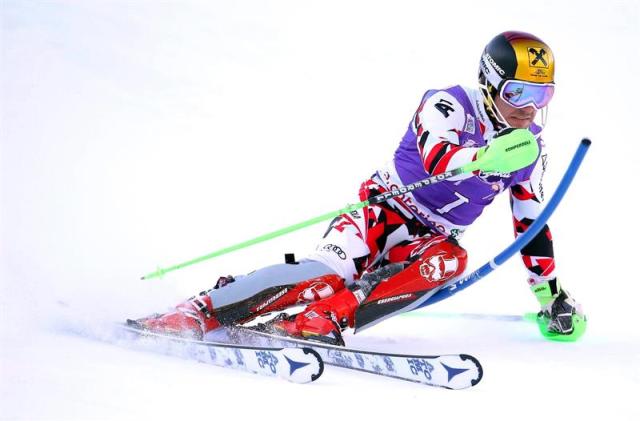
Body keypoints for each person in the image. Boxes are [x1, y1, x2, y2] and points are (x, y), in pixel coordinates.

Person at [132, 31, 585, 345]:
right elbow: (437, 157)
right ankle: (202, 309)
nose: (529, 109)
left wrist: (551, 296)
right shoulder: (449, 103)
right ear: (490, 84)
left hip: (431, 241)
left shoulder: (530, 149)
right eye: (519, 93)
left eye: (541, 95)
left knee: (450, 261)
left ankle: (325, 319)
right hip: (382, 213)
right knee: (323, 275)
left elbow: (531, 223)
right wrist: (484, 159)